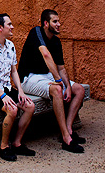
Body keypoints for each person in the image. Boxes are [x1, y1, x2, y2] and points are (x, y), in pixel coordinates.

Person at [18, 9, 85, 153]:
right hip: (28, 78)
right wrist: (58, 81)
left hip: (45, 76)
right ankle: (67, 140)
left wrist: (67, 86)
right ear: (45, 23)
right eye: (55, 21)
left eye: (59, 21)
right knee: (57, 89)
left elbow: (61, 68)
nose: (59, 24)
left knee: (79, 90)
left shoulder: (56, 41)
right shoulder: (36, 32)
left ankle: (67, 131)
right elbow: (46, 55)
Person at [0, 13, 36, 161]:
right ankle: (4, 147)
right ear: (0, 27)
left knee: (30, 106)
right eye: (9, 24)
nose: (12, 27)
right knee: (12, 109)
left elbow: (14, 71)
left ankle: (17, 143)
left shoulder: (10, 46)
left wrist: (21, 91)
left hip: (7, 89)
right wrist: (2, 96)